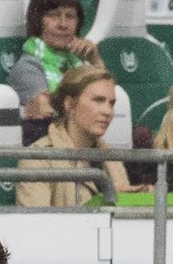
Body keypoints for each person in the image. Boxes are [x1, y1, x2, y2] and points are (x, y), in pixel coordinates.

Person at [15, 66, 139, 207]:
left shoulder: (111, 157)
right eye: (98, 100)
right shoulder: (38, 160)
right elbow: (36, 224)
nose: (108, 111)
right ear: (69, 104)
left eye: (111, 103)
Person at [7, 0, 102, 143]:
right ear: (38, 20)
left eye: (70, 16)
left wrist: (95, 61)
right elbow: (50, 116)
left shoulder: (78, 62)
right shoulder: (28, 68)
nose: (63, 24)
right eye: (53, 15)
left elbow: (104, 100)